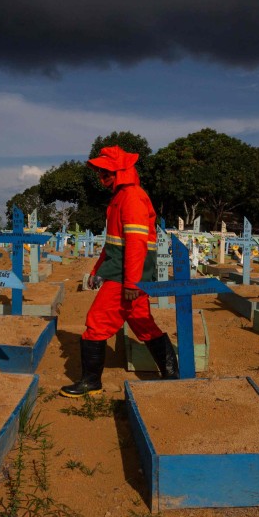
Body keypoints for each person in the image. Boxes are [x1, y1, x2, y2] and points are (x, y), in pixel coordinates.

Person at [60, 145, 178, 397]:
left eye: (106, 172)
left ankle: (91, 382)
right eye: (100, 172)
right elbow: (113, 242)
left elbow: (136, 244)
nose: (101, 177)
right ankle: (171, 375)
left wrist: (132, 284)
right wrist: (96, 269)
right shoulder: (120, 197)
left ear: (121, 171)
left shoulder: (132, 197)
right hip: (125, 273)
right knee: (144, 325)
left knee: (96, 323)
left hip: (127, 276)